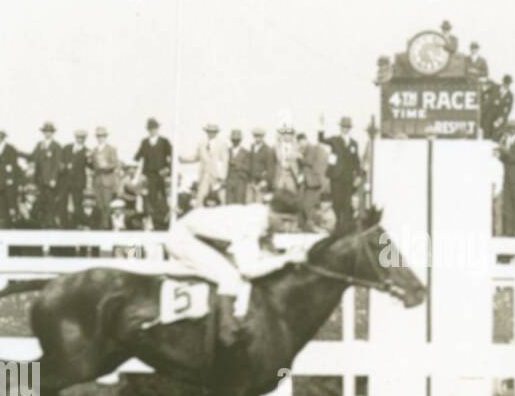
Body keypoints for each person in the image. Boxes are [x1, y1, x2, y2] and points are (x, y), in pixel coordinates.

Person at [163, 197, 302, 344]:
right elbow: (248, 270)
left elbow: (267, 254)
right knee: (229, 275)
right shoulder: (251, 224)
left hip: (201, 235)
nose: (288, 227)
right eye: (285, 220)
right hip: (183, 237)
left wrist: (282, 258)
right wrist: (285, 259)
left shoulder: (264, 218)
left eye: (292, 222)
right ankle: (226, 327)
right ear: (272, 214)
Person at [318, 117, 361, 229]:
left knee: (347, 204)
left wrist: (359, 175)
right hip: (336, 177)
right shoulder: (335, 140)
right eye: (343, 127)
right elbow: (321, 139)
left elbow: (356, 161)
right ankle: (338, 224)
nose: (345, 129)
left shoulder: (354, 144)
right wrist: (321, 126)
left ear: (349, 128)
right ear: (340, 128)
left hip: (348, 178)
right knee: (337, 202)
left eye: (347, 127)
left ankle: (345, 226)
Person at [134, 118, 172, 229]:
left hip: (161, 174)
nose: (153, 131)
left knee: (163, 198)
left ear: (158, 129)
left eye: (154, 128)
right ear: (148, 130)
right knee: (150, 198)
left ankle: (163, 222)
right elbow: (137, 156)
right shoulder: (144, 142)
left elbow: (171, 157)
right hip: (148, 174)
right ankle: (151, 222)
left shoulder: (164, 141)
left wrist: (167, 169)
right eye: (151, 129)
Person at [90, 127, 121, 228]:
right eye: (98, 136)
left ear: (105, 137)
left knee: (107, 206)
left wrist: (105, 167)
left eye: (102, 136)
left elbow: (115, 163)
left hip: (107, 181)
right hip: (97, 181)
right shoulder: (94, 150)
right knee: (99, 205)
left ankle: (106, 226)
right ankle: (101, 226)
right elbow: (92, 165)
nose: (100, 138)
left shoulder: (111, 149)